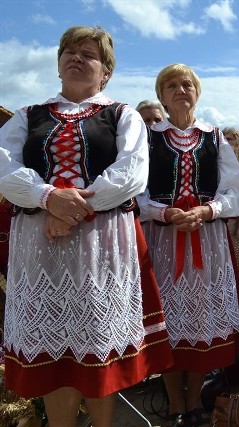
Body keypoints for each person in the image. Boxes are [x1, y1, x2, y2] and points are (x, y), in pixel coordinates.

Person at [0, 26, 172, 426]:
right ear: (59, 64)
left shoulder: (122, 115)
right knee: (55, 352)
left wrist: (71, 208)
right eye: (70, 52)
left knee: (96, 347)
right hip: (41, 247)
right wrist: (48, 198)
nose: (77, 58)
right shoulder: (28, 116)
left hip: (101, 243)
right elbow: (4, 167)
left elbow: (132, 172)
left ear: (105, 71)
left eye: (88, 54)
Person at [137, 63, 239, 427]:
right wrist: (164, 213)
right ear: (161, 96)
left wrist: (207, 209)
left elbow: (236, 191)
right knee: (166, 315)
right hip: (163, 238)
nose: (180, 90)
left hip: (207, 236)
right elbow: (135, 191)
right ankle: (174, 402)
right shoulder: (148, 138)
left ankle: (194, 397)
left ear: (197, 92)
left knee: (200, 314)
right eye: (171, 85)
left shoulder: (213, 137)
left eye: (186, 84)